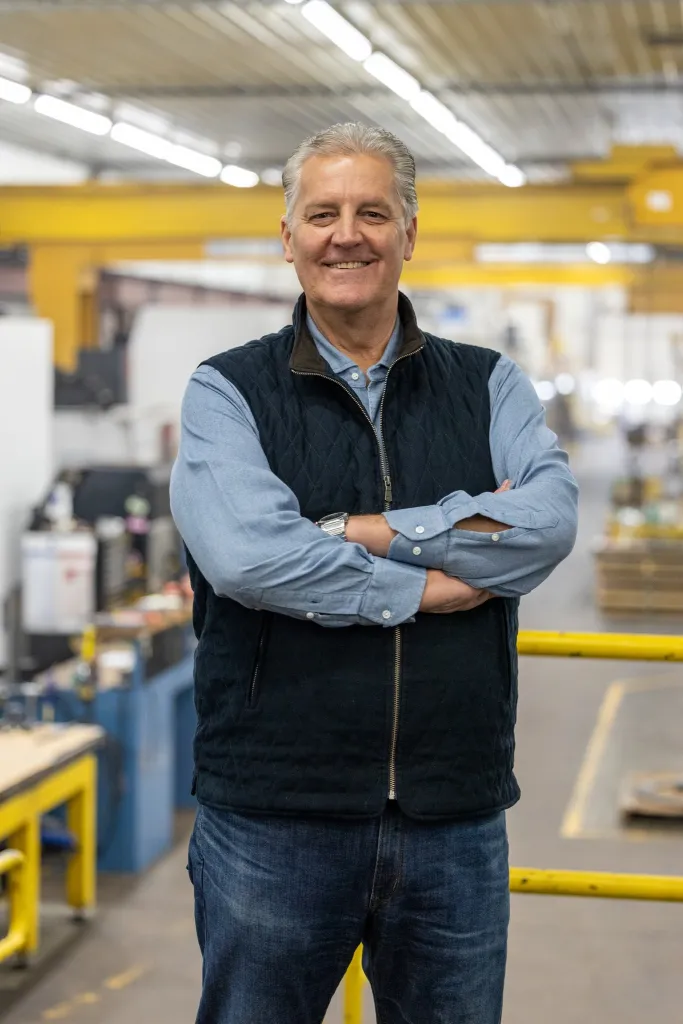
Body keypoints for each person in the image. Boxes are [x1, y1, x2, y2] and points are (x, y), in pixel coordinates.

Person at [170, 122, 579, 1024]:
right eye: (321, 214)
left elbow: (543, 526)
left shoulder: (489, 382)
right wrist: (427, 581)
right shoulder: (228, 391)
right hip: (275, 816)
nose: (345, 234)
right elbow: (246, 554)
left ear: (408, 231)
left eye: (371, 212)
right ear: (288, 238)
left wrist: (356, 531)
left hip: (453, 814)